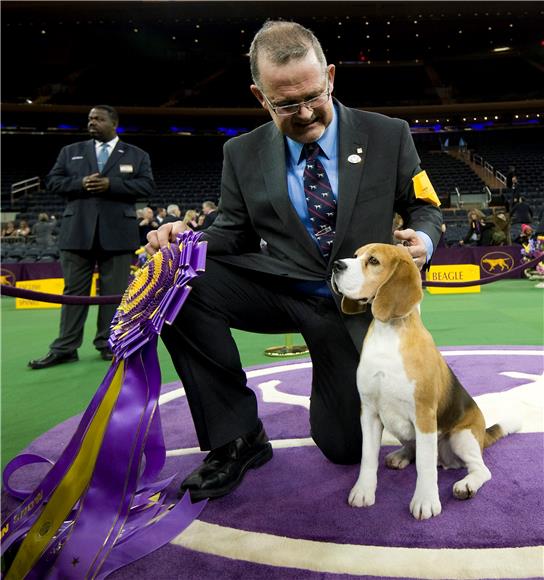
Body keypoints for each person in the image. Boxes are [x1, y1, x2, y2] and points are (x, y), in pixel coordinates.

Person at [146, 21, 443, 502]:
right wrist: (186, 238)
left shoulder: (388, 134)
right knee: (183, 280)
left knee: (345, 447)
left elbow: (426, 207)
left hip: (355, 307)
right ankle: (237, 438)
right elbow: (231, 231)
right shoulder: (240, 152)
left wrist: (423, 240)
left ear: (329, 75)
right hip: (281, 292)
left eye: (313, 96)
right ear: (259, 96)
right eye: (286, 104)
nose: (305, 114)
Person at [28, 105, 155, 369]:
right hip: (77, 233)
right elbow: (52, 181)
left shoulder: (136, 154)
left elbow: (146, 186)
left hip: (118, 234)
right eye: (89, 119)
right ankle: (65, 347)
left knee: (115, 293)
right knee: (73, 292)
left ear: (114, 123)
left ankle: (110, 343)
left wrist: (112, 185)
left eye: (98, 119)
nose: (91, 123)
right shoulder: (70, 152)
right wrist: (80, 184)